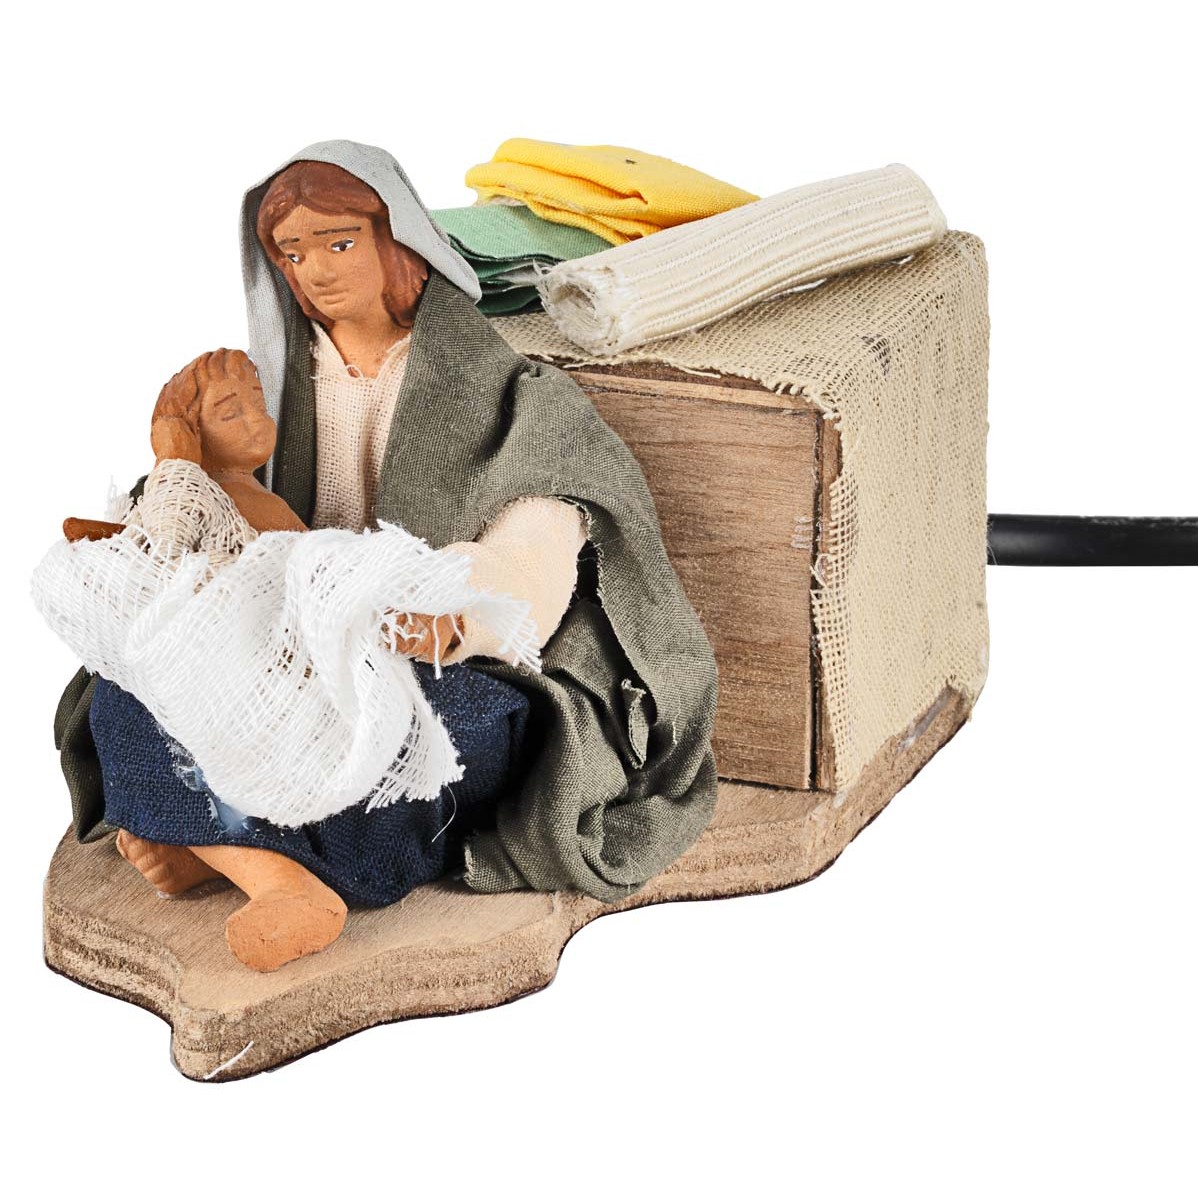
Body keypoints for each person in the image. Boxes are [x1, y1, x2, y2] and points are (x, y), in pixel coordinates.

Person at [56, 139, 719, 946]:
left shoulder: (510, 393)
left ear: (398, 241)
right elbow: (199, 519)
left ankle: (211, 834)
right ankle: (257, 865)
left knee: (428, 740)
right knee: (129, 680)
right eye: (293, 253)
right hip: (286, 643)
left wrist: (456, 612)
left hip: (435, 656)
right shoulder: (269, 389)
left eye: (338, 243)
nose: (315, 271)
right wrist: (175, 474)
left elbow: (539, 540)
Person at [52, 347, 533, 972]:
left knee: (452, 720)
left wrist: (399, 614)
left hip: (303, 664)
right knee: (131, 702)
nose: (255, 420)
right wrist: (174, 462)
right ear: (188, 434)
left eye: (257, 402)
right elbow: (155, 565)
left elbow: (319, 580)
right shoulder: (184, 498)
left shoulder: (261, 499)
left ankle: (227, 857)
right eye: (230, 412)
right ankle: (264, 873)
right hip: (236, 668)